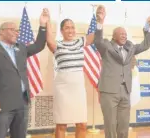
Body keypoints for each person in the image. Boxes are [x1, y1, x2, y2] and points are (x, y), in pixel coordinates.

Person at [0, 9, 49, 138]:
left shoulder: (21, 48)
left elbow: (39, 45)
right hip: (2, 105)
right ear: (1, 31)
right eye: (12, 29)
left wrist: (43, 25)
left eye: (17, 30)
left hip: (22, 103)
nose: (16, 33)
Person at [94, 7, 150, 138]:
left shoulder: (130, 48)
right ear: (114, 36)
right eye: (121, 33)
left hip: (125, 90)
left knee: (123, 125)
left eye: (125, 34)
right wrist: (99, 23)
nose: (124, 35)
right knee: (110, 125)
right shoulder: (106, 46)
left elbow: (145, 44)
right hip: (109, 91)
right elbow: (98, 41)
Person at [45, 5, 105, 138]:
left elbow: (96, 36)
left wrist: (100, 21)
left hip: (78, 89)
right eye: (67, 27)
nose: (70, 30)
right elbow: (49, 40)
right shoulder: (58, 45)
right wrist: (47, 21)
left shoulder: (80, 42)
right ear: (61, 31)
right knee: (61, 124)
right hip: (62, 89)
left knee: (82, 124)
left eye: (72, 27)